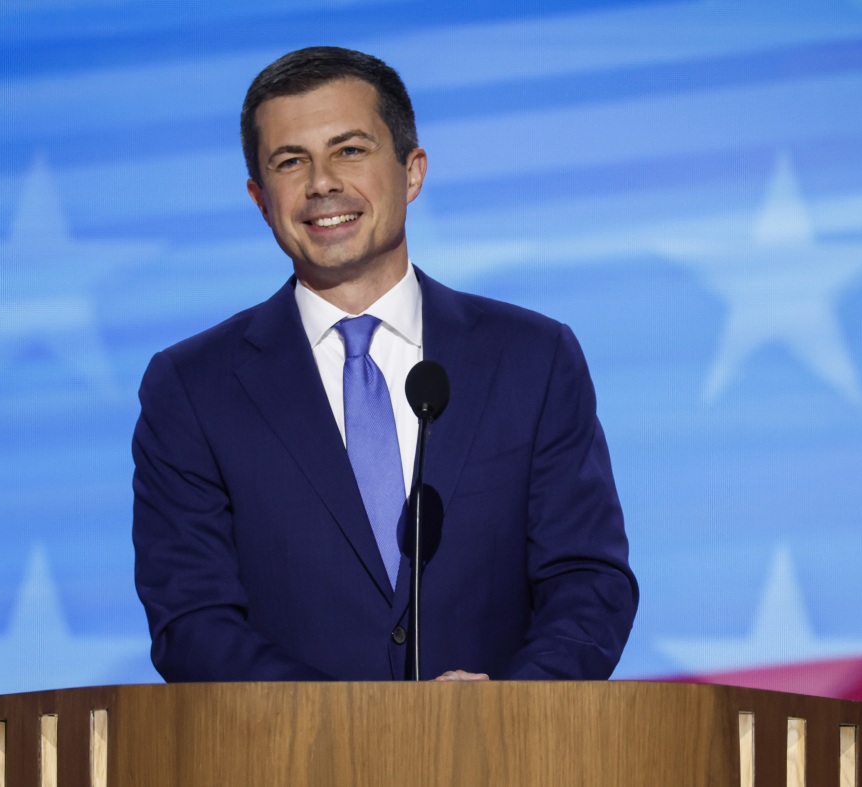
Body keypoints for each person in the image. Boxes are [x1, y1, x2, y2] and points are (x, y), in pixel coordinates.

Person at [132, 46, 637, 682]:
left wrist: (506, 716)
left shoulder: (532, 359)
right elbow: (193, 623)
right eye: (291, 162)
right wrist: (355, 738)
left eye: (350, 150)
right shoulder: (192, 389)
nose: (322, 183)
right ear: (261, 199)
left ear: (413, 170)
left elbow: (588, 581)